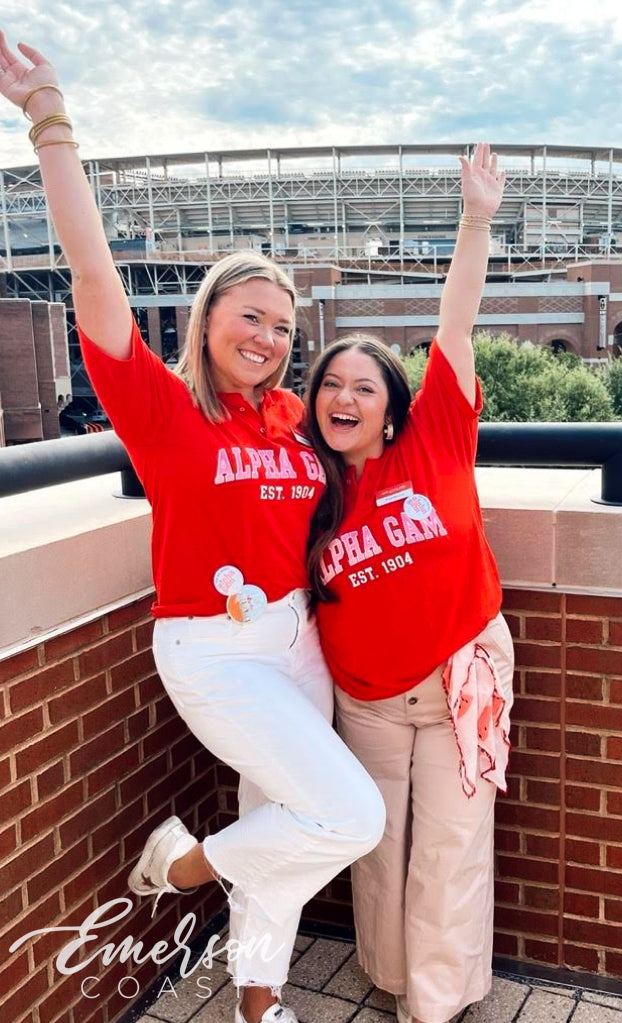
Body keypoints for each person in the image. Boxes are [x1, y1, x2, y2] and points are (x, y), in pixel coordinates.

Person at [0, 34, 385, 1023]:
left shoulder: (293, 421)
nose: (267, 338)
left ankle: (258, 1006)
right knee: (347, 815)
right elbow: (90, 273)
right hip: (213, 652)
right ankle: (180, 867)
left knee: (284, 823)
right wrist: (49, 121)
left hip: (295, 640)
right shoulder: (166, 414)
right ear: (208, 315)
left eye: (282, 328)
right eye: (249, 317)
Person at [304, 144, 514, 1023]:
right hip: (367, 702)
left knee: (452, 850)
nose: (345, 397)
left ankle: (436, 1001)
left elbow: (456, 326)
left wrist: (475, 219)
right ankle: (389, 978)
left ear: (393, 402)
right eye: (330, 385)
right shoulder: (303, 491)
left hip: (462, 676)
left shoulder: (436, 441)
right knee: (380, 848)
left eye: (364, 385)